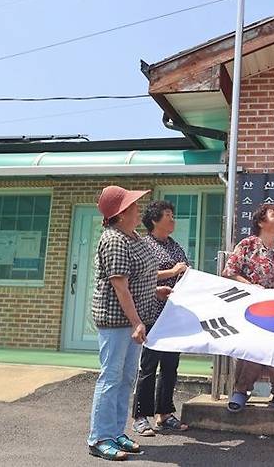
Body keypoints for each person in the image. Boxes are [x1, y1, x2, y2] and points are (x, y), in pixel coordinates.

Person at [87, 186, 172, 461]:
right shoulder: (114, 240)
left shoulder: (132, 236)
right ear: (121, 214)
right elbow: (121, 287)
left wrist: (154, 290)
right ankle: (99, 438)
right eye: (133, 207)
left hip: (135, 320)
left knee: (125, 379)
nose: (138, 210)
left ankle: (115, 431)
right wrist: (136, 323)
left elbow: (140, 277)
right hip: (117, 321)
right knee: (111, 378)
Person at [222, 203, 274, 413]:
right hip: (251, 308)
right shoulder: (247, 245)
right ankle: (241, 391)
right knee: (252, 349)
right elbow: (229, 272)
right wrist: (251, 286)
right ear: (261, 222)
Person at [132, 200, 190, 436]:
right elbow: (141, 275)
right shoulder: (144, 245)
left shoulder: (174, 246)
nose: (173, 219)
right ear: (155, 220)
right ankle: (140, 416)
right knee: (148, 366)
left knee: (170, 366)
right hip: (152, 313)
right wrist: (173, 272)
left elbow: (186, 270)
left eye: (173, 214)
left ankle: (164, 413)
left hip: (173, 315)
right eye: (168, 215)